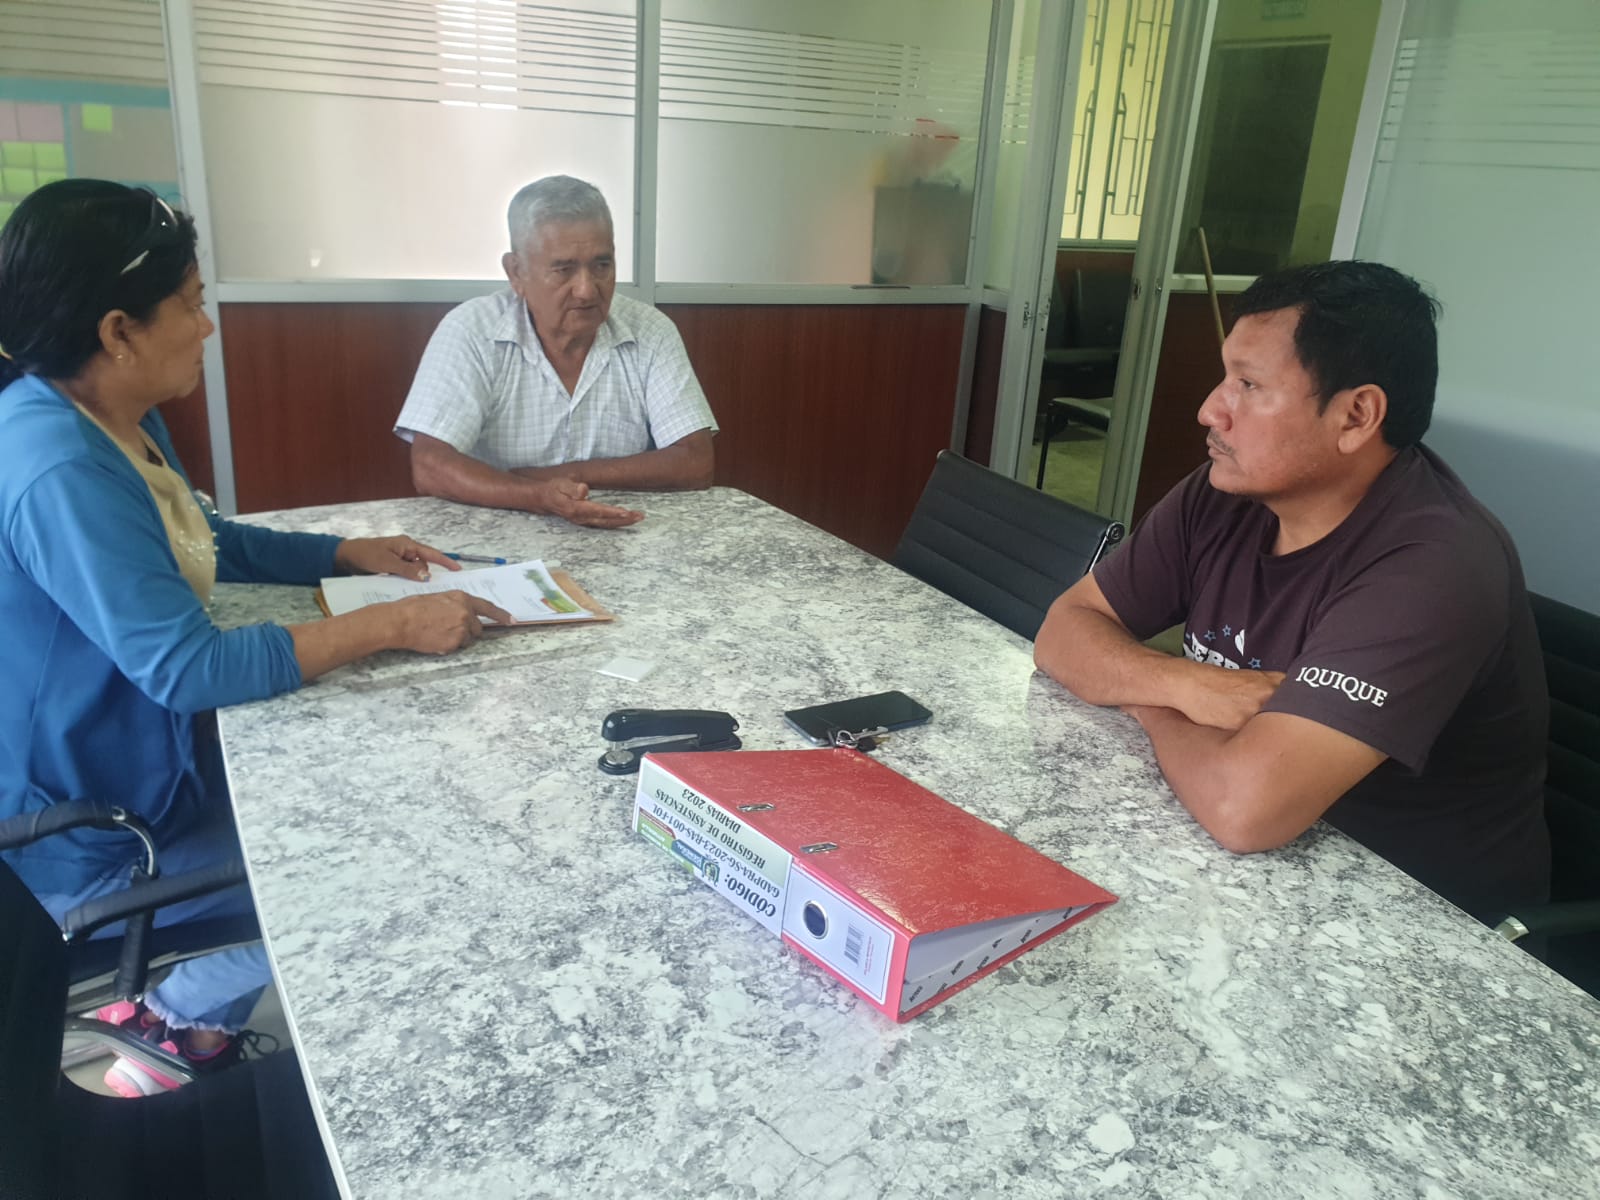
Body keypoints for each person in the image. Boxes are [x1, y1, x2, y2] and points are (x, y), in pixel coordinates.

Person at [0, 179, 511, 1097]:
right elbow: (189, 668)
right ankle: (173, 1011)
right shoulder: (59, 469)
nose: (207, 326)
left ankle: (199, 1021)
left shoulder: (108, 411)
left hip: (154, 764)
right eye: (191, 304)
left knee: (397, 792)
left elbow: (199, 537)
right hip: (103, 832)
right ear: (118, 332)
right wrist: (391, 623)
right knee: (404, 868)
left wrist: (342, 552)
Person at [1034, 260, 1549, 922]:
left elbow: (1244, 809)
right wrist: (1186, 685)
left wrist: (1146, 701)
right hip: (1257, 873)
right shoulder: (1226, 492)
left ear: (1356, 415)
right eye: (1227, 377)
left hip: (1414, 921)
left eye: (1249, 385)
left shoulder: (1435, 568)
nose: (1211, 410)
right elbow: (1063, 630)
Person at [394, 174, 717, 528]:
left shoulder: (649, 331)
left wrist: (564, 477)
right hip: (496, 537)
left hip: (622, 534)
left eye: (602, 265)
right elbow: (430, 465)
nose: (586, 290)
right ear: (516, 272)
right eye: (564, 270)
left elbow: (695, 461)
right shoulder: (472, 331)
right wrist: (536, 496)